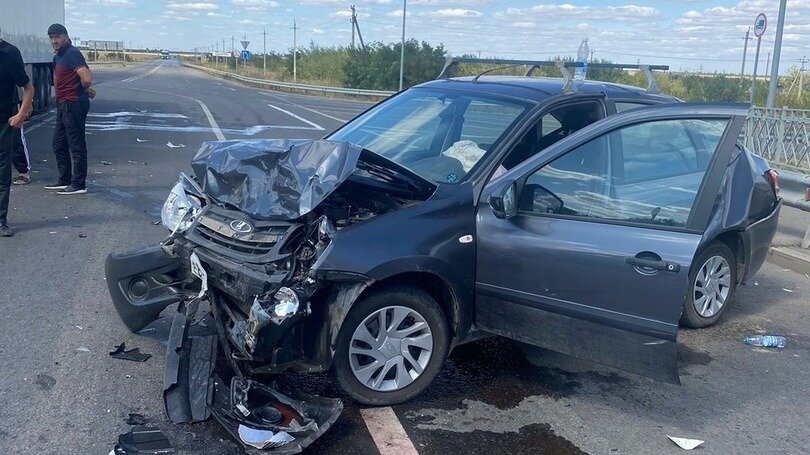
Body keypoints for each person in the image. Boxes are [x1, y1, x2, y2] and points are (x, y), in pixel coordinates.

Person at [43, 23, 96, 195]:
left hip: (73, 103)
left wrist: (83, 88)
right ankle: (64, 179)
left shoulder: (72, 53)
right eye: (51, 37)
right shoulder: (58, 55)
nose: (54, 40)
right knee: (58, 143)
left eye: (57, 37)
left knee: (76, 144)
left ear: (66, 36)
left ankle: (79, 183)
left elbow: (86, 77)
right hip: (63, 103)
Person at [0, 34, 34, 237]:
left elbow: (28, 87)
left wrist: (21, 114)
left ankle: (1, 220)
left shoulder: (7, 58)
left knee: (2, 174)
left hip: (3, 123)